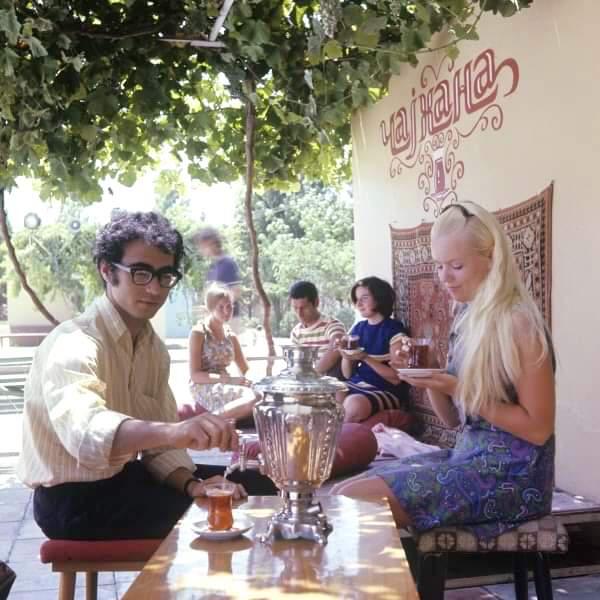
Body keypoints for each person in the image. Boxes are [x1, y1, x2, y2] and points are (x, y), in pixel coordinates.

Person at [17, 211, 254, 541]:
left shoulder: (153, 349)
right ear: (107, 270)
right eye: (141, 273)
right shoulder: (72, 343)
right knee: (217, 522)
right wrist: (176, 432)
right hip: (72, 502)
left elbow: (160, 448)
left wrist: (193, 485)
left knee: (256, 486)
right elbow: (86, 435)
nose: (155, 288)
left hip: (127, 481)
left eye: (165, 275)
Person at [333, 201, 555, 539]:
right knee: (347, 490)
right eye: (439, 266)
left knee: (355, 500)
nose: (444, 278)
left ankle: (398, 591)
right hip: (469, 457)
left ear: (492, 258)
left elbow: (539, 429)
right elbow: (452, 420)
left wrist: (457, 388)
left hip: (514, 477)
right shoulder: (468, 317)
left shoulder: (519, 323)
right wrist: (429, 377)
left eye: (456, 266)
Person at [337, 276, 410, 422]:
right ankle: (326, 439)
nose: (358, 304)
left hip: (385, 390)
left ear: (379, 298)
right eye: (357, 299)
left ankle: (339, 440)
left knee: (353, 405)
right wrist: (344, 353)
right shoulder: (359, 328)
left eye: (364, 298)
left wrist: (365, 358)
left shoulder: (393, 330)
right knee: (327, 395)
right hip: (357, 384)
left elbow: (396, 378)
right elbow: (347, 374)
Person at [189, 284, 257, 424]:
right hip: (204, 385)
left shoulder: (230, 336)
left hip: (225, 383)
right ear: (210, 308)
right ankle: (207, 422)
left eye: (230, 306)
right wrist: (229, 380)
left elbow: (245, 369)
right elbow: (195, 375)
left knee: (262, 395)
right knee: (252, 398)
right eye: (221, 307)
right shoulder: (199, 333)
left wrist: (253, 381)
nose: (227, 311)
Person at [289, 280, 346, 377]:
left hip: (329, 383)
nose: (299, 314)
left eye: (304, 308)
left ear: (316, 302)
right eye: (295, 308)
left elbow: (336, 349)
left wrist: (311, 376)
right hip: (306, 383)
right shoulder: (296, 332)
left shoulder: (332, 325)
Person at [192, 227, 243, 333]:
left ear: (212, 243)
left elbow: (236, 291)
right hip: (216, 319)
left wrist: (213, 307)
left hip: (228, 319)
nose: (201, 249)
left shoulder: (228, 264)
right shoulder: (213, 267)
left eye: (203, 245)